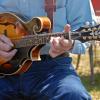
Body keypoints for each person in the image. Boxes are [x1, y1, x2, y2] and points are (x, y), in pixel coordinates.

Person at [0, 0, 96, 100]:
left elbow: (87, 25)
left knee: (74, 95)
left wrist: (70, 44)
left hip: (53, 67)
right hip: (3, 71)